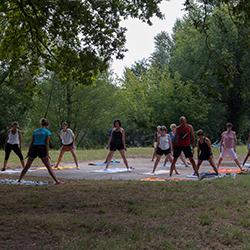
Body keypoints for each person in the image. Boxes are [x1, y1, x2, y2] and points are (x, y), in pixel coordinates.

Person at [18, 118, 61, 184]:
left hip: (34, 148)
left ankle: (19, 180)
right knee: (48, 167)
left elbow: (32, 142)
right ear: (47, 125)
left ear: (41, 124)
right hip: (42, 148)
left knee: (27, 166)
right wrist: (47, 153)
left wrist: (29, 152)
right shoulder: (47, 132)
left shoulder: (35, 131)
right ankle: (57, 181)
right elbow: (46, 143)